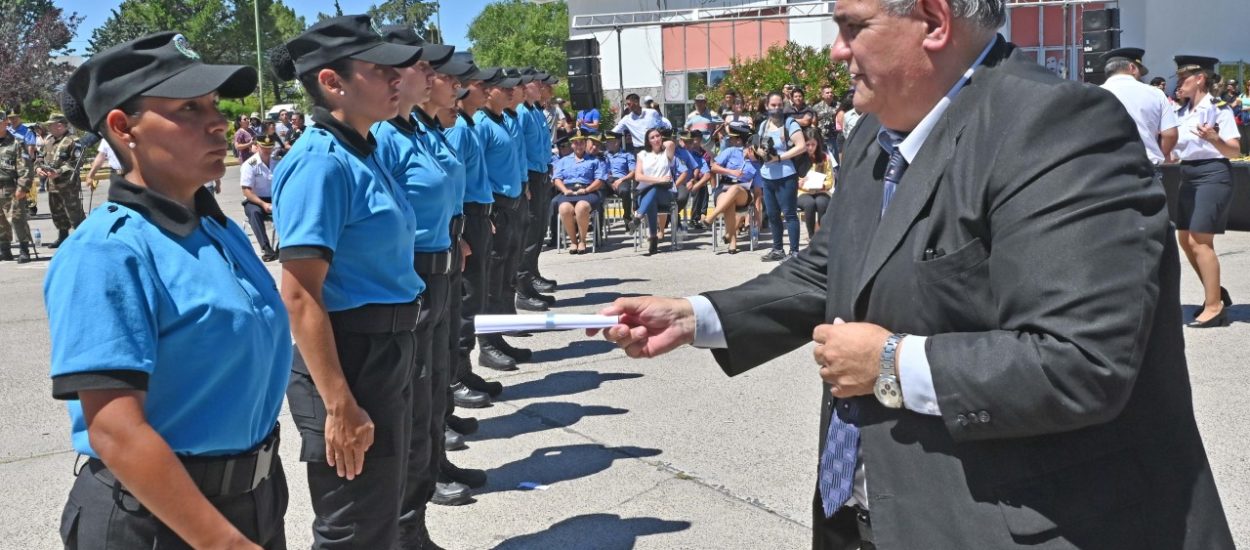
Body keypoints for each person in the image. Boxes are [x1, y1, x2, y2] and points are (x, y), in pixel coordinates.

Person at [594, 0, 1236, 548]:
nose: (837, 52)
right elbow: (833, 267)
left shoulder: (1056, 127)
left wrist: (894, 365)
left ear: (932, 20)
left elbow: (1081, 360)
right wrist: (698, 316)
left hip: (1013, 523)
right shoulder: (876, 132)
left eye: (852, 27)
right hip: (875, 513)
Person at [47, 31, 289, 549]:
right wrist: (223, 542)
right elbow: (115, 430)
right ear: (122, 126)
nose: (219, 121)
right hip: (159, 524)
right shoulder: (107, 252)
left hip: (253, 498)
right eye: (188, 107)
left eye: (215, 104)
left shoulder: (214, 227)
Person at [269, 15, 425, 549]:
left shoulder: (365, 149)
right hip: (346, 357)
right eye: (380, 70)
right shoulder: (320, 164)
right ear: (333, 83)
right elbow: (299, 293)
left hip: (383, 349)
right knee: (352, 527)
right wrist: (338, 403)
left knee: (378, 515)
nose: (396, 80)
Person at [1170, 55, 1243, 328]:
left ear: (1199, 78)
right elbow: (1176, 148)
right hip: (1187, 173)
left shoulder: (1219, 109)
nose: (1178, 84)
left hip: (1213, 173)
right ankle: (1216, 292)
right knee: (1185, 238)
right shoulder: (1180, 112)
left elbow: (1234, 150)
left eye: (1182, 79)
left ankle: (1214, 307)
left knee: (1201, 240)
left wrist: (1215, 139)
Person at [447, 65, 506, 396]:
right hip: (465, 217)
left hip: (478, 214)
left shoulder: (466, 125)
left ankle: (464, 370)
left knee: (476, 299)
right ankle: (454, 378)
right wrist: (463, 231)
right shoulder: (457, 130)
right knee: (466, 302)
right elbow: (454, 186)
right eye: (480, 85)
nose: (486, 91)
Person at [473, 68, 529, 371]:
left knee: (506, 275)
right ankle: (488, 344)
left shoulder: (502, 121)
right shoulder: (481, 124)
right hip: (496, 208)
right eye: (502, 88)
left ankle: (500, 334)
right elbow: (478, 171)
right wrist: (490, 211)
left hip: (513, 202)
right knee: (490, 282)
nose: (510, 92)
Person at [515, 68, 558, 313]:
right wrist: (525, 182)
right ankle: (522, 288)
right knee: (529, 234)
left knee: (540, 229)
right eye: (539, 84)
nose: (544, 88)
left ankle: (532, 275)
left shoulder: (535, 111)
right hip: (530, 175)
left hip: (541, 172)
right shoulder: (522, 112)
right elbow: (519, 149)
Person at [1100, 48, 1179, 169]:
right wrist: (1158, 155)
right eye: (1140, 72)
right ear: (1132, 68)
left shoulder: (1096, 93)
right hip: (1146, 166)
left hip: (1108, 169)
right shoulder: (1156, 94)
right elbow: (1170, 134)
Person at [756, 91, 807, 261]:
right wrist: (760, 152)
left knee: (790, 214)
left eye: (779, 105)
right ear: (767, 106)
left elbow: (801, 146)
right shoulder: (763, 125)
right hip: (767, 176)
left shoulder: (789, 123)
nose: (776, 108)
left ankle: (794, 253)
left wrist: (778, 158)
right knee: (772, 214)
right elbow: (758, 145)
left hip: (786, 175)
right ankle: (777, 249)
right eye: (773, 105)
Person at [703, 122, 758, 253]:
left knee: (734, 190)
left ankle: (713, 216)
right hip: (724, 186)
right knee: (729, 201)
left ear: (739, 140)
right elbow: (714, 167)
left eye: (732, 138)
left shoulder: (756, 160)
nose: (730, 140)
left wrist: (757, 216)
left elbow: (757, 190)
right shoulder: (730, 151)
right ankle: (732, 242)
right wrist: (731, 172)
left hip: (743, 192)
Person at [552, 128, 606, 253]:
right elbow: (557, 179)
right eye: (576, 142)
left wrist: (587, 190)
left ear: (586, 143)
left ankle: (582, 240)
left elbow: (599, 180)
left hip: (588, 191)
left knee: (581, 207)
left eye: (581, 142)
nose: (579, 145)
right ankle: (573, 241)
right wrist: (565, 190)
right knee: (564, 208)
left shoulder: (594, 160)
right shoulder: (563, 161)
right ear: (572, 144)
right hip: (569, 191)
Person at [36, 114, 86, 248]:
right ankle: (63, 237)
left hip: (68, 185)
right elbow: (40, 156)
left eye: (50, 125)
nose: (48, 127)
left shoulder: (73, 141)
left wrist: (58, 172)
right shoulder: (49, 140)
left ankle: (84, 239)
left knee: (74, 213)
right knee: (57, 212)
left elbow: (77, 162)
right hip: (52, 185)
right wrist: (38, 168)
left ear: (59, 125)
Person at [633, 127, 676, 256]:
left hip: (666, 193)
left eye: (658, 136)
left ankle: (638, 216)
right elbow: (638, 177)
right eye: (652, 137)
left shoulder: (666, 152)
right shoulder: (642, 155)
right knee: (651, 197)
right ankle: (653, 238)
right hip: (644, 193)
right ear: (647, 141)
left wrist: (659, 143)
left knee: (655, 189)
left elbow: (670, 143)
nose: (656, 139)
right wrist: (658, 179)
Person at [240, 135, 280, 262]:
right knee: (254, 212)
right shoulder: (250, 165)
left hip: (274, 198)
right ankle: (266, 248)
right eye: (264, 148)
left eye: (270, 148)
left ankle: (283, 246)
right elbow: (246, 190)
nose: (267, 151)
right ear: (257, 146)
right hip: (255, 199)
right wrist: (263, 204)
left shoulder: (278, 161)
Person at [0, 122, 34, 263]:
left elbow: (26, 168)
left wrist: (23, 187)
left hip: (11, 187)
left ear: (4, 123)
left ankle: (24, 250)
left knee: (17, 219)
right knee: (1, 222)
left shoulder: (16, 143)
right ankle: (5, 250)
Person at [796, 128, 835, 240]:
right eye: (807, 145)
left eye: (813, 144)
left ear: (818, 143)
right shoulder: (798, 158)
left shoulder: (824, 158)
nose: (810, 148)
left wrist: (821, 185)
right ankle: (811, 236)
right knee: (809, 204)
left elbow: (830, 180)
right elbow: (792, 179)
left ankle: (822, 235)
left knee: (821, 202)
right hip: (802, 192)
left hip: (821, 191)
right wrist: (799, 182)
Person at [602, 130, 637, 230]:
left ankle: (627, 218)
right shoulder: (604, 155)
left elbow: (633, 172)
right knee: (598, 192)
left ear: (616, 142)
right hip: (606, 180)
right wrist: (610, 181)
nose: (606, 144)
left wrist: (621, 180)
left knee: (625, 191)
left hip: (621, 179)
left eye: (609, 141)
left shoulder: (627, 155)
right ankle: (597, 222)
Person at [811, 85, 841, 158]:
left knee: (837, 159)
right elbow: (813, 123)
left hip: (836, 137)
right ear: (822, 95)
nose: (830, 94)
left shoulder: (838, 105)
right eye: (827, 93)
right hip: (822, 138)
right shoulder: (816, 107)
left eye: (831, 92)